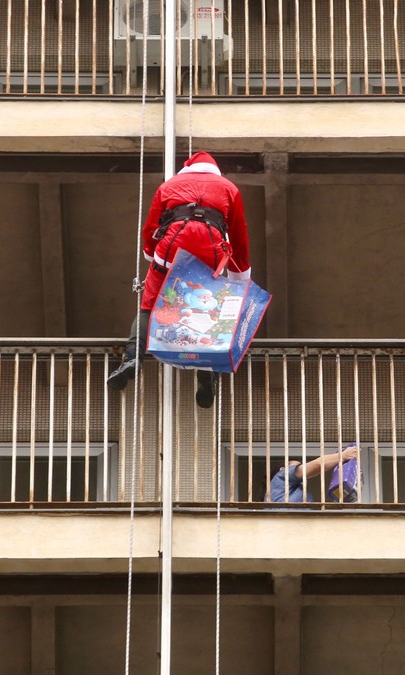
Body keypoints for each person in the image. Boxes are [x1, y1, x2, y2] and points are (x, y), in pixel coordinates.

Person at [106, 151, 251, 408]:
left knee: (149, 307)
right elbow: (239, 234)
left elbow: (150, 228)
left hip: (172, 246)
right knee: (209, 306)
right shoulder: (229, 188)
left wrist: (152, 255)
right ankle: (207, 374)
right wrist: (239, 274)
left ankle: (132, 357)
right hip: (210, 248)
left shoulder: (169, 186)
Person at [266, 444, 361, 504]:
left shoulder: (296, 492)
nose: (301, 468)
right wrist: (343, 456)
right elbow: (318, 465)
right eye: (297, 467)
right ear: (282, 469)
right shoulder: (281, 476)